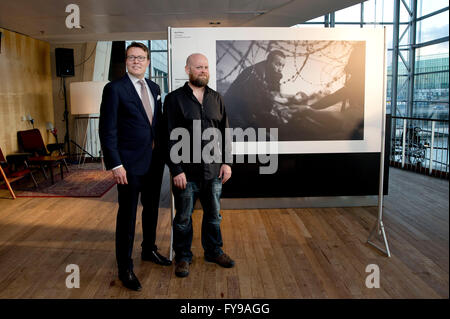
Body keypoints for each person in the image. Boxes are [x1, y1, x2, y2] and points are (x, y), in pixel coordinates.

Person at [99, 42, 171, 292]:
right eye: (132, 57)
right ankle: (125, 267)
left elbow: (156, 124)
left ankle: (149, 249)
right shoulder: (114, 89)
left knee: (151, 210)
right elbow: (107, 130)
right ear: (126, 61)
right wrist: (115, 164)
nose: (137, 61)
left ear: (148, 62)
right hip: (128, 166)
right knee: (127, 216)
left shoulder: (154, 87)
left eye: (141, 57)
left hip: (153, 162)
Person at [164, 53, 234, 278]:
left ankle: (214, 251)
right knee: (183, 218)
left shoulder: (217, 98)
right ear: (187, 70)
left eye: (205, 67)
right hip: (186, 172)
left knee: (214, 215)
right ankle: (183, 257)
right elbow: (169, 137)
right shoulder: (174, 99)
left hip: (213, 171)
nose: (203, 70)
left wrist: (227, 163)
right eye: (198, 67)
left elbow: (226, 132)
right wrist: (176, 170)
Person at [224, 50, 289, 132]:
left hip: (247, 113)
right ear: (268, 62)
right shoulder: (254, 74)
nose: (280, 69)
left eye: (283, 66)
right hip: (233, 112)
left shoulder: (272, 76)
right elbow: (253, 104)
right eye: (277, 64)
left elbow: (271, 98)